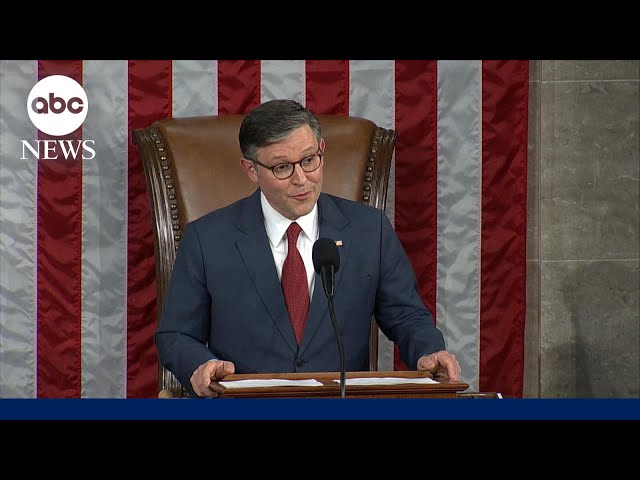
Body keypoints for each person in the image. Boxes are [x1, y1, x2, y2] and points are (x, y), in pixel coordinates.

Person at [155, 99, 461, 398]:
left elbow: (406, 316)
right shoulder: (207, 239)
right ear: (251, 170)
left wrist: (429, 351)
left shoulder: (370, 230)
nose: (301, 179)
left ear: (322, 151)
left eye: (309, 160)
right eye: (282, 167)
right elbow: (176, 335)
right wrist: (201, 364)